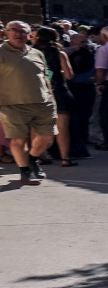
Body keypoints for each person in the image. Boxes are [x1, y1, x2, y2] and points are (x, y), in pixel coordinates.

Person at [0, 21, 57, 184]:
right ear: (6, 32)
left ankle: (32, 159)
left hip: (43, 102)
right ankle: (25, 172)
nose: (19, 34)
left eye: (23, 31)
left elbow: (47, 73)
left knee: (47, 137)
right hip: (12, 105)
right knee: (19, 140)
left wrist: (49, 89)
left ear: (30, 35)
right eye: (14, 31)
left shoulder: (37, 53)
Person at [33, 26, 77, 166]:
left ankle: (40, 155)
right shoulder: (60, 53)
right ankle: (65, 158)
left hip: (38, 92)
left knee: (37, 126)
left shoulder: (30, 53)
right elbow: (69, 75)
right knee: (62, 127)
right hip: (58, 90)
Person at [64, 27, 95, 162]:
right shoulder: (65, 54)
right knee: (75, 120)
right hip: (72, 89)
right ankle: (76, 147)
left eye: (84, 41)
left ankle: (80, 145)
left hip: (83, 89)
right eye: (81, 42)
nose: (84, 44)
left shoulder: (88, 53)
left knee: (82, 118)